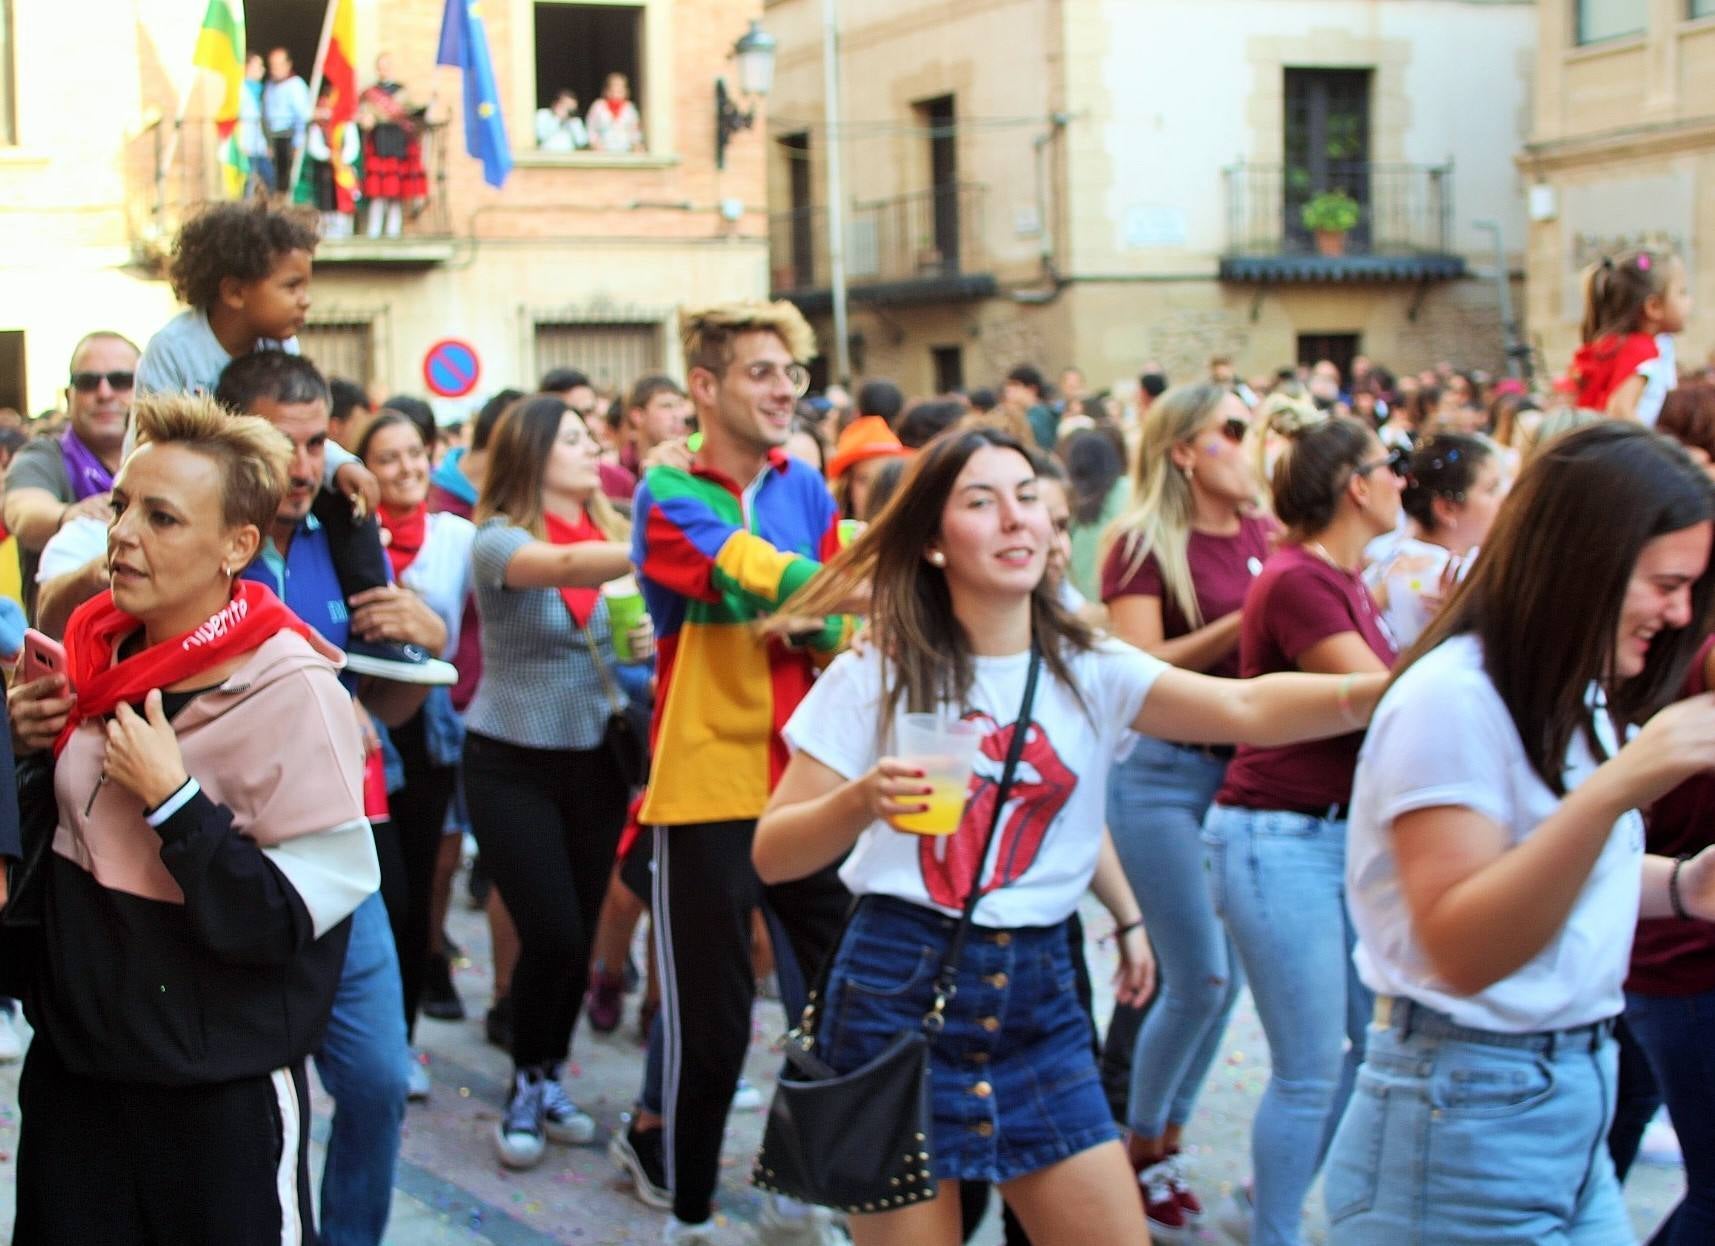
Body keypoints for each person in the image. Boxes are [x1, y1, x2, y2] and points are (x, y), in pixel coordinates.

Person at [751, 424, 1387, 1246]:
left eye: (1028, 500)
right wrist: (863, 801)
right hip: (897, 986)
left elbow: (1243, 707)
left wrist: (1390, 688)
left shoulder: (1089, 662)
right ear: (935, 544)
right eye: (980, 503)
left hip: (1041, 996)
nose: (1016, 520)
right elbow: (773, 854)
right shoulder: (879, 669)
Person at [1324, 422, 1715, 1244]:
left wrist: (1682, 886)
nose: (1680, 612)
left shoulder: (1572, 692)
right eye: (1664, 584)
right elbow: (1463, 948)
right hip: (1460, 1118)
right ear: (1588, 562)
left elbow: (1547, 869)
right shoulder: (1451, 700)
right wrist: (1618, 786)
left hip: (1554, 1108)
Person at [6, 392, 379, 1243]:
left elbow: (288, 923)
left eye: (163, 517)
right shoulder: (92, 647)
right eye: (122, 505)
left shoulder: (294, 691)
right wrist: (24, 738)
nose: (124, 533)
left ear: (237, 546)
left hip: (216, 1100)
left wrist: (176, 805)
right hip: (76, 1082)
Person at [628, 302, 853, 1244]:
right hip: (706, 781)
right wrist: (818, 595)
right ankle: (688, 1214)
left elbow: (841, 618)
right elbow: (740, 566)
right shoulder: (666, 490)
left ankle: (798, 1174)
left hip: (810, 780)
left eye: (790, 375)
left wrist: (821, 606)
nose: (782, 392)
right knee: (712, 1022)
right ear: (706, 389)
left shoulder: (805, 485)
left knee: (842, 994)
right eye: (762, 372)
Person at [223, 353, 422, 1246]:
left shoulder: (344, 530)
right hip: (232, 860)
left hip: (348, 852)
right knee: (261, 1100)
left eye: (316, 443)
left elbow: (386, 702)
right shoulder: (200, 538)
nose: (303, 466)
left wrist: (420, 640)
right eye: (282, 444)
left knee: (377, 1080)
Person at [1202, 416, 1404, 1246]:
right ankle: (1271, 1230)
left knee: (1360, 1057)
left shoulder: (1337, 576)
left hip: (1326, 840)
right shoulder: (1297, 581)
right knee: (1311, 1067)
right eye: (1390, 467)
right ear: (1356, 485)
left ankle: (1263, 1207)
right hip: (1274, 837)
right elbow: (1384, 702)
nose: (1403, 480)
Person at [1097, 383, 1276, 1236]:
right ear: (1182, 452)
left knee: (1223, 981)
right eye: (1232, 431)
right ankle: (1135, 1147)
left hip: (1237, 779)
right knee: (1197, 975)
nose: (1248, 446)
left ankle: (1159, 1139)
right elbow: (1138, 669)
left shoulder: (1265, 535)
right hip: (1162, 778)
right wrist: (1248, 615)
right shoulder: (1141, 544)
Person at [135, 202, 449, 685]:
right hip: (200, 492)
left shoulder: (279, 343)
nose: (306, 300)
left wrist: (343, 464)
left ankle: (373, 622)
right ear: (235, 291)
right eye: (291, 286)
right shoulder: (173, 350)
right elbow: (159, 443)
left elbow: (303, 420)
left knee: (349, 495)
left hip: (258, 481)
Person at [462, 393, 648, 1168]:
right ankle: (524, 1082)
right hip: (511, 759)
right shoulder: (497, 541)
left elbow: (629, 637)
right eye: (572, 437)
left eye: (588, 436)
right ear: (532, 453)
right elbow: (562, 569)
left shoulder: (609, 529)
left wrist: (642, 639)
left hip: (595, 759)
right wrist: (669, 541)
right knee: (554, 930)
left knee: (572, 937)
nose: (590, 446)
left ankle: (544, 1078)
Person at [357, 411, 477, 1087]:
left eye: (414, 455)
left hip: (427, 734)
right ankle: (370, 1037)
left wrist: (427, 625)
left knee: (414, 896)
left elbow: (467, 634)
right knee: (380, 893)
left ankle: (398, 1042)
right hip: (362, 729)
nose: (405, 469)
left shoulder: (456, 537)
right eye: (387, 458)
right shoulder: (350, 537)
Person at [3, 331, 138, 611]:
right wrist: (69, 516)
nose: (104, 392)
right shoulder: (43, 456)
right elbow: (22, 511)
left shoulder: (167, 461)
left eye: (121, 381)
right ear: (69, 395)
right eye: (88, 382)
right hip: (64, 641)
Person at [1363, 434, 1503, 650]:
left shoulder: (1409, 553)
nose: (1504, 499)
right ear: (1447, 508)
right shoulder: (1434, 572)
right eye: (1491, 489)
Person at [1572, 248, 1691, 426]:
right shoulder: (1641, 351)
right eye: (1682, 292)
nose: (1689, 301)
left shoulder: (1621, 346)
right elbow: (1620, 410)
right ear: (1654, 307)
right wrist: (1658, 448)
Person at [358, 55, 429, 240]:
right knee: (377, 191)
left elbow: (412, 112)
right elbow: (364, 116)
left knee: (395, 191)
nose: (384, 70)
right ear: (377, 69)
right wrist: (366, 119)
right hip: (379, 140)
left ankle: (393, 231)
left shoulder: (401, 91)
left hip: (397, 142)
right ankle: (374, 231)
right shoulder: (369, 93)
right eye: (381, 67)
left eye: (387, 66)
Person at [303, 77, 360, 238]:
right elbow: (314, 146)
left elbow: (352, 145)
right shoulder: (319, 123)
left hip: (343, 168)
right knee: (325, 199)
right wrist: (329, 156)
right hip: (325, 168)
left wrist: (342, 159)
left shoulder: (345, 123)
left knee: (343, 199)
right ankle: (326, 231)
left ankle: (343, 230)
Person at [827, 415, 910, 521]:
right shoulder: (828, 531)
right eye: (863, 480)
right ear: (847, 485)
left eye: (885, 479)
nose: (874, 489)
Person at [617, 375, 692, 483]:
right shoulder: (617, 469)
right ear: (638, 416)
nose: (678, 415)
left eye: (680, 405)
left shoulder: (692, 463)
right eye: (667, 406)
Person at [262, 47, 312, 196]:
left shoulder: (296, 85)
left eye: (279, 65)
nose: (275, 69)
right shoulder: (269, 85)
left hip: (288, 138)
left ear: (288, 64)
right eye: (272, 65)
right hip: (273, 138)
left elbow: (302, 116)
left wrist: (297, 144)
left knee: (288, 181)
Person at [1002, 363, 1056, 450]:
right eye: (1008, 385)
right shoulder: (1029, 415)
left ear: (1032, 389)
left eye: (1015, 385)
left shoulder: (1038, 418)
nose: (1008, 390)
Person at [587, 72, 644, 153]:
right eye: (613, 89)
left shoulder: (630, 109)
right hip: (602, 152)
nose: (615, 94)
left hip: (626, 151)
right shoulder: (598, 106)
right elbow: (591, 129)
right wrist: (595, 144)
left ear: (625, 91)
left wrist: (636, 145)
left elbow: (635, 132)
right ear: (606, 90)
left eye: (619, 90)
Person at [535, 87, 589, 152]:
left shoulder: (574, 121)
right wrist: (557, 119)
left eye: (571, 108)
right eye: (565, 105)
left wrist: (573, 122)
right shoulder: (543, 114)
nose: (567, 109)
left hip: (567, 158)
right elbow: (541, 136)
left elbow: (582, 142)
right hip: (545, 155)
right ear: (556, 103)